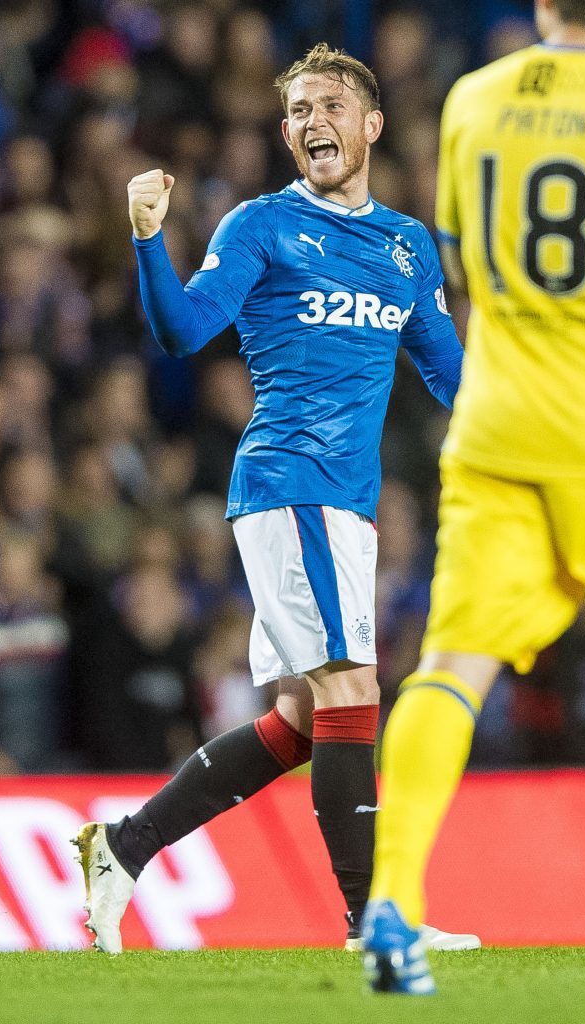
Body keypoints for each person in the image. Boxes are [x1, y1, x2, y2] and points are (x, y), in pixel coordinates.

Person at [72, 43, 478, 955]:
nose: (311, 122)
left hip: (349, 503)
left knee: (302, 721)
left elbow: (455, 383)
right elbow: (182, 331)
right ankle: (373, 923)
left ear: (371, 124)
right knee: (352, 689)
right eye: (296, 110)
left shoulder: (408, 248)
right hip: (288, 481)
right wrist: (146, 237)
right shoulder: (260, 226)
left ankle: (123, 848)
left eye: (329, 104)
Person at [362, 0, 585, 995]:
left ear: (544, 2)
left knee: (454, 665)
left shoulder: (472, 100)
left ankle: (391, 902)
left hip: (497, 432)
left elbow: (458, 265)